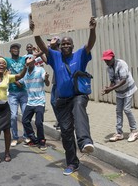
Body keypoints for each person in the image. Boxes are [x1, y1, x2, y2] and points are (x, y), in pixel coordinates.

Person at [30, 17, 97, 175]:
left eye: (68, 43)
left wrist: (93, 29)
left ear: (72, 46)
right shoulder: (55, 57)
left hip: (78, 95)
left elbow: (90, 43)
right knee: (66, 132)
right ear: (60, 47)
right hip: (62, 100)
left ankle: (85, 141)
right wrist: (36, 32)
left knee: (79, 108)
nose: (66, 45)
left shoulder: (80, 54)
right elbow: (41, 46)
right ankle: (72, 163)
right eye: (64, 44)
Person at [0, 42, 29, 147]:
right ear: (10, 51)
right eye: (13, 48)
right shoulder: (8, 61)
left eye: (17, 48)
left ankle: (26, 136)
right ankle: (15, 137)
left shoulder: (24, 59)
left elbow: (35, 57)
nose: (16, 49)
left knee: (25, 116)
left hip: (24, 92)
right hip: (13, 93)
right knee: (13, 116)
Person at [101, 49, 138, 142]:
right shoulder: (109, 68)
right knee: (118, 111)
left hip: (128, 89)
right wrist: (108, 90)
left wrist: (111, 89)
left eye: (108, 60)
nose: (107, 62)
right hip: (119, 92)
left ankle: (134, 131)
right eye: (105, 60)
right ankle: (119, 133)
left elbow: (123, 80)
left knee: (126, 109)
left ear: (113, 58)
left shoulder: (121, 64)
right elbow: (113, 81)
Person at [19, 57, 50, 150]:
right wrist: (11, 79)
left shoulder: (40, 70)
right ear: (26, 63)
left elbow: (47, 83)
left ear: (34, 61)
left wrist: (47, 78)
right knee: (24, 121)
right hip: (30, 102)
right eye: (28, 59)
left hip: (40, 101)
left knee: (38, 122)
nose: (30, 60)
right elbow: (20, 84)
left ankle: (42, 141)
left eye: (31, 59)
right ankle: (34, 140)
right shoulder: (24, 73)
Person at [48, 36, 61, 130]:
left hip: (60, 82)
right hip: (55, 81)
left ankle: (62, 120)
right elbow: (47, 61)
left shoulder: (60, 52)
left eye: (52, 41)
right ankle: (59, 119)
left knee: (58, 102)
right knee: (53, 101)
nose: (49, 43)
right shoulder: (54, 52)